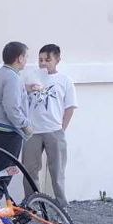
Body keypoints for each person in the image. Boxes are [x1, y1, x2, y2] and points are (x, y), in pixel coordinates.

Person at [22, 44, 77, 206]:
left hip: (54, 130)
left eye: (47, 60)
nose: (43, 63)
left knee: (57, 171)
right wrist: (28, 88)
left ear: (57, 60)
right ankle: (33, 205)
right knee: (29, 170)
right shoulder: (32, 76)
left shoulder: (65, 80)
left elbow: (70, 107)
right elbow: (20, 96)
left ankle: (61, 207)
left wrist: (61, 129)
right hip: (32, 131)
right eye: (40, 60)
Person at [0, 41, 33, 208]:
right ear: (19, 58)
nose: (27, 60)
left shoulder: (0, 74)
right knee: (5, 171)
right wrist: (25, 125)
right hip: (8, 130)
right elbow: (12, 107)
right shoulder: (12, 77)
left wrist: (25, 89)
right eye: (26, 57)